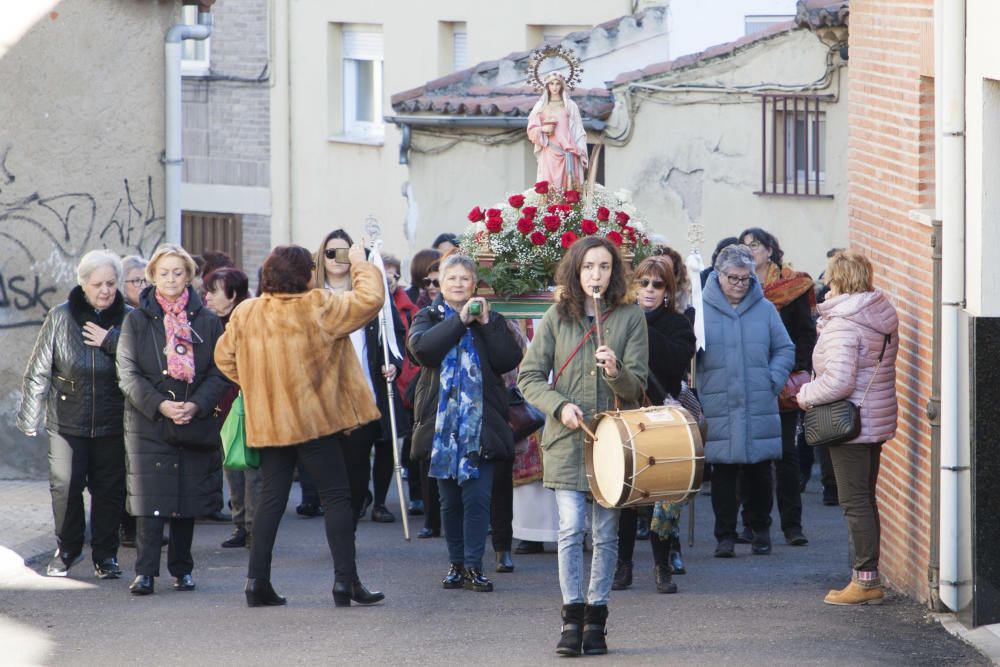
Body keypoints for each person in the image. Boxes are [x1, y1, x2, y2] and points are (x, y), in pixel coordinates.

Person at [214, 243, 387, 608]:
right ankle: (346, 582)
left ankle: (256, 582)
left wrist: (259, 387)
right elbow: (371, 300)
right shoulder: (319, 306)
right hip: (314, 421)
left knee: (270, 500)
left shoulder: (247, 312)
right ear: (305, 275)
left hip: (272, 422)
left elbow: (224, 358)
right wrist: (361, 263)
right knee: (337, 497)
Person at [518, 236, 648, 657]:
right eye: (589, 266)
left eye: (604, 267)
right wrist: (560, 407)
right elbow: (530, 377)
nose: (596, 274)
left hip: (612, 442)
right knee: (571, 528)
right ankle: (571, 619)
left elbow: (637, 386)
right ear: (576, 270)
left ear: (614, 272)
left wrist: (615, 370)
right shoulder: (558, 316)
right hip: (567, 440)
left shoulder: (630, 317)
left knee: (606, 534)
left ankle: (598, 620)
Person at [117, 243, 231, 596]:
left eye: (177, 272)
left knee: (186, 497)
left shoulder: (208, 321)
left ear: (189, 276)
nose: (170, 279)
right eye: (163, 273)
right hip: (149, 421)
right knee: (151, 497)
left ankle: (182, 569)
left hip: (192, 419)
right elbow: (127, 373)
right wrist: (160, 405)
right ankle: (145, 571)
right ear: (152, 276)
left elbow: (219, 371)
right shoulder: (135, 320)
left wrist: (196, 405)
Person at [408, 254, 523, 593]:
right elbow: (424, 351)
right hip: (442, 426)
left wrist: (485, 324)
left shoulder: (493, 319)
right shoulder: (426, 317)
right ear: (440, 284)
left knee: (477, 499)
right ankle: (455, 564)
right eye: (451, 278)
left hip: (481, 425)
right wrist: (460, 320)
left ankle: (474, 566)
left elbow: (507, 360)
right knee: (450, 501)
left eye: (464, 279)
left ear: (475, 284)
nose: (458, 284)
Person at [17, 250, 130, 579]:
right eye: (98, 284)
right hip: (68, 419)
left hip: (113, 420)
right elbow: (39, 368)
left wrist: (112, 341)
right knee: (65, 487)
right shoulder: (61, 316)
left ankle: (106, 556)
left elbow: (142, 365)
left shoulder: (130, 318)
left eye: (111, 283)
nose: (106, 290)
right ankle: (67, 549)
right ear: (83, 284)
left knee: (109, 490)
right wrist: (29, 416)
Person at [796, 250, 899, 606]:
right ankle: (864, 576)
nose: (826, 285)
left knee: (854, 503)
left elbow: (839, 381)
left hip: (849, 423)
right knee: (865, 500)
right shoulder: (877, 313)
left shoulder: (845, 323)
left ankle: (866, 580)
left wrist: (805, 394)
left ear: (841, 280)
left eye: (830, 278)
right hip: (874, 417)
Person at [698, 244, 794, 559]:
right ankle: (724, 536)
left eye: (745, 279)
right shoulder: (701, 310)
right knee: (723, 472)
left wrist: (773, 379)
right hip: (719, 400)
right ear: (718, 274)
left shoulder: (764, 308)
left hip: (757, 399)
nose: (740, 285)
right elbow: (690, 352)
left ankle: (760, 529)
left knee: (759, 471)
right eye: (733, 278)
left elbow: (785, 348)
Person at [613, 256, 696, 595]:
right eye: (643, 282)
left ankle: (662, 564)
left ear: (667, 291)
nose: (648, 290)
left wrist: (640, 327)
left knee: (663, 493)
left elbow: (676, 362)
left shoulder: (677, 324)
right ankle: (624, 564)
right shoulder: (620, 319)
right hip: (628, 414)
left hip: (662, 416)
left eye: (657, 284)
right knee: (627, 494)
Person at [315, 230, 406, 524]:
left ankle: (354, 515)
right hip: (325, 395)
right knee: (331, 470)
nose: (338, 260)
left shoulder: (370, 293)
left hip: (364, 389)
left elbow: (394, 334)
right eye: (331, 253)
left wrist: (393, 363)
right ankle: (340, 523)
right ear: (321, 258)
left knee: (357, 463)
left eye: (345, 252)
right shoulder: (312, 297)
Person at [739, 227, 816, 547]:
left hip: (781, 382)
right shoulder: (736, 287)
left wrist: (788, 369)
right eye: (743, 247)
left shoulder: (792, 287)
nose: (749, 251)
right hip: (747, 383)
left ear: (770, 250)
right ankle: (754, 524)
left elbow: (805, 335)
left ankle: (792, 525)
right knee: (750, 455)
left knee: (785, 453)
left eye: (755, 246)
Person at [203, 267, 258, 549]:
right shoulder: (211, 323)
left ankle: (254, 528)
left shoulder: (250, 320)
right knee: (232, 466)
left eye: (213, 291)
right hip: (223, 407)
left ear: (233, 294)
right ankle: (241, 526)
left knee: (251, 468)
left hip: (249, 405)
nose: (207, 297)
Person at [384, 253, 423, 515]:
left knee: (413, 441)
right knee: (386, 444)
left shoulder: (411, 310)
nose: (390, 282)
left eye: (394, 276)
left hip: (411, 382)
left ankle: (417, 496)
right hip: (389, 386)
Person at [118, 254, 149, 547]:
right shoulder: (122, 314)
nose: (141, 286)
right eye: (134, 281)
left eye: (144, 280)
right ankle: (126, 527)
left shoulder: (153, 312)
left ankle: (139, 526)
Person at [527, 72, 588, 191]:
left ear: (562, 86)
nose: (554, 87)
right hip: (549, 151)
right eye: (551, 84)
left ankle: (567, 209)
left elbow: (578, 130)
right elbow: (531, 129)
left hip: (568, 153)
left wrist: (581, 149)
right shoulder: (540, 106)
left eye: (557, 84)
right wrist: (542, 129)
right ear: (547, 86)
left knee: (570, 189)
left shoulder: (570, 106)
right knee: (548, 188)